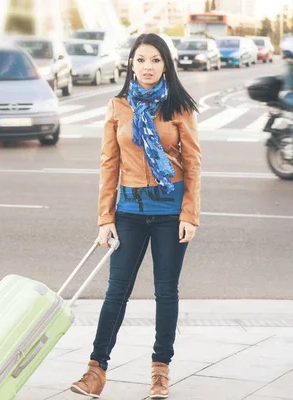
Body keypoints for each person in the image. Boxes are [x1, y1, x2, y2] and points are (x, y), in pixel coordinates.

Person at [70, 33, 201, 400]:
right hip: (128, 211)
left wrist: (189, 213)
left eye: (156, 60)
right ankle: (96, 371)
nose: (148, 67)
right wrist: (104, 218)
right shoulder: (118, 106)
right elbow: (108, 163)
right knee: (116, 292)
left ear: (166, 65)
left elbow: (192, 163)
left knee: (166, 292)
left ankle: (161, 372)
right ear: (131, 63)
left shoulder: (178, 106)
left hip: (169, 213)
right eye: (141, 60)